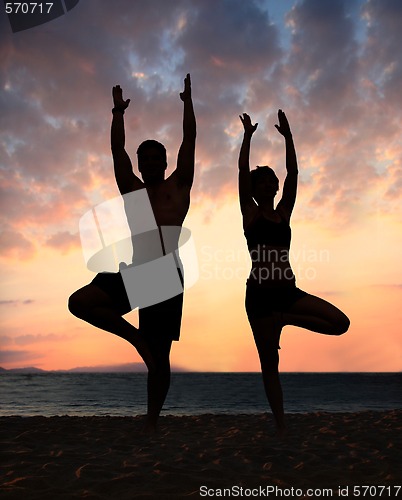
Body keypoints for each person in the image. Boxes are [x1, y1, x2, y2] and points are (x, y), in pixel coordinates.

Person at [68, 74, 196, 431]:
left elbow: (190, 140)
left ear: (166, 163)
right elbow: (116, 152)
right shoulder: (132, 192)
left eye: (158, 158)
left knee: (161, 357)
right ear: (140, 166)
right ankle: (135, 338)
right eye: (146, 159)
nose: (152, 163)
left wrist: (187, 103)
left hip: (167, 275)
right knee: (80, 302)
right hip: (137, 271)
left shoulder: (178, 187)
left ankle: (151, 420)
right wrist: (118, 113)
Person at [238, 111, 349, 436]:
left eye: (269, 179)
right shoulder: (250, 213)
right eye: (260, 180)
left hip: (288, 294)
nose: (266, 182)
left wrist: (288, 137)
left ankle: (286, 318)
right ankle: (282, 425)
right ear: (254, 188)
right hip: (259, 297)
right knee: (270, 366)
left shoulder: (284, 212)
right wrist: (248, 137)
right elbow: (241, 171)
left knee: (340, 324)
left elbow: (294, 172)